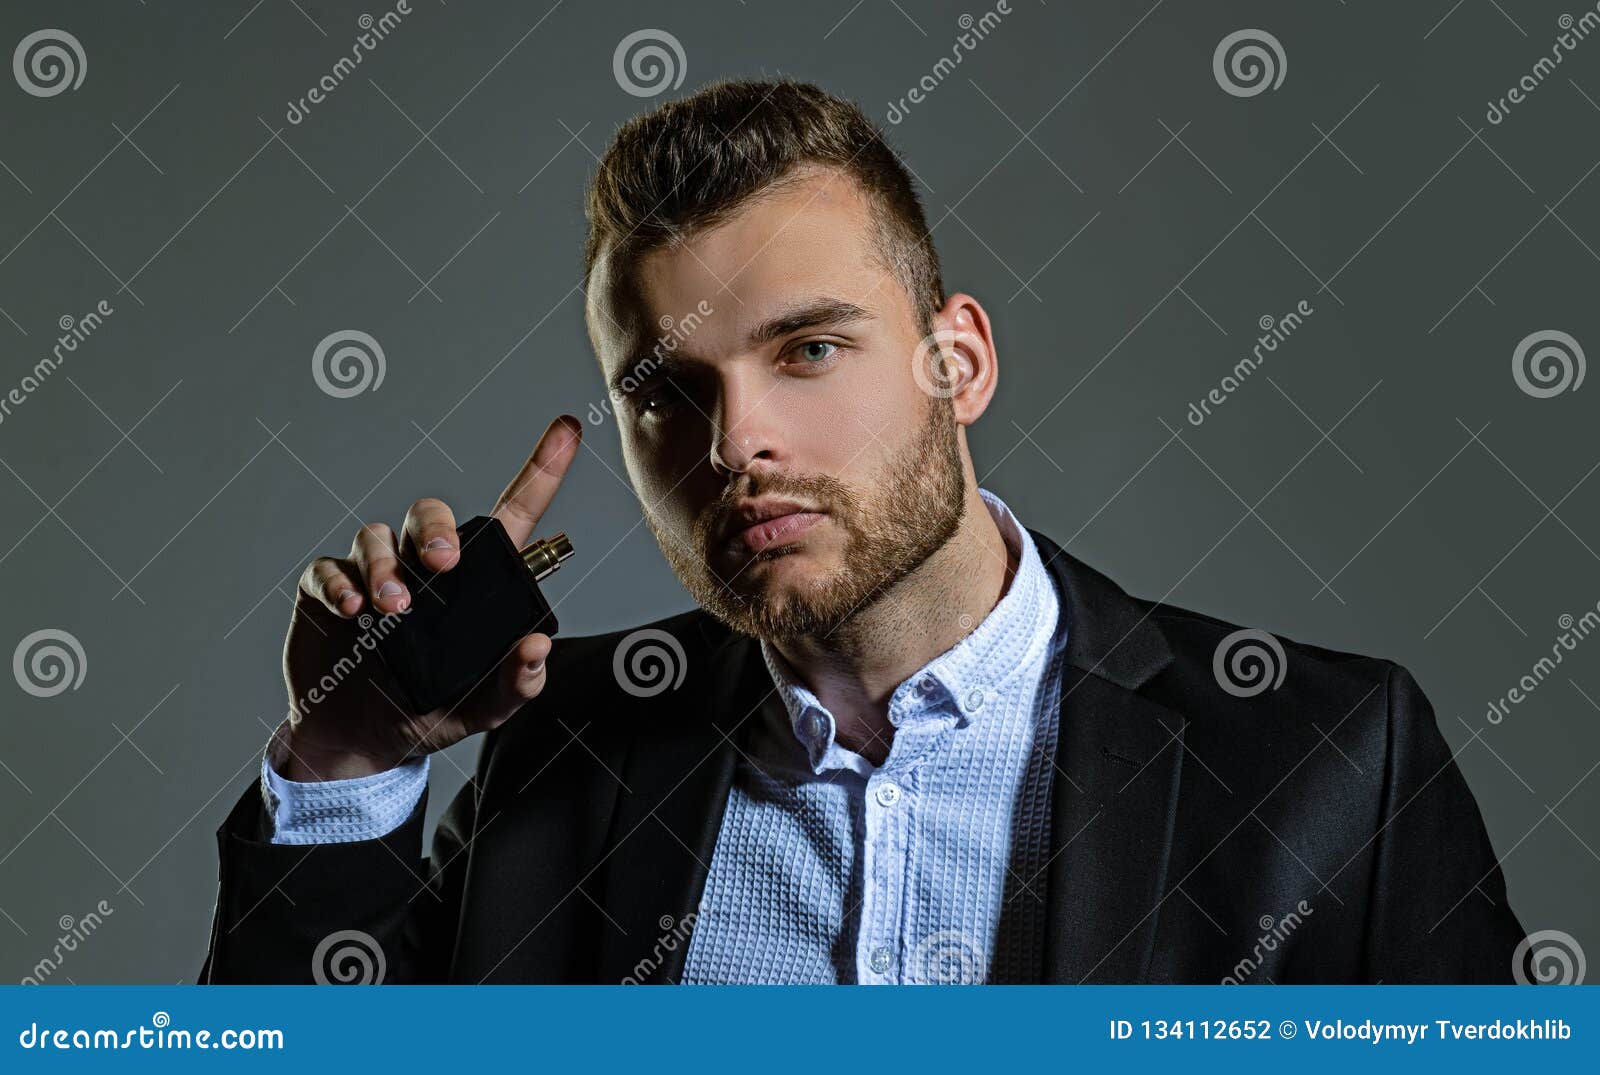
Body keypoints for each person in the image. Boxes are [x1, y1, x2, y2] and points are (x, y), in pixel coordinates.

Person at [200, 79, 1525, 985]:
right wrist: (347, 754)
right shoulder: (556, 759)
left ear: (959, 361)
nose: (737, 445)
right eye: (667, 393)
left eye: (810, 350)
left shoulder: (1321, 760)